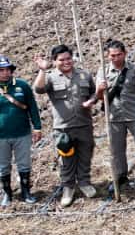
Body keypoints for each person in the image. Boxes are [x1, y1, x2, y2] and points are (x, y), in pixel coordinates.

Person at [34, 45, 96, 207]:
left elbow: (94, 92)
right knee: (67, 159)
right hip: (63, 128)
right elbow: (38, 89)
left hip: (84, 125)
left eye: (68, 58)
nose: (66, 62)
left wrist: (92, 100)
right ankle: (68, 188)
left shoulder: (84, 75)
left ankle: (84, 183)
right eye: (61, 60)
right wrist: (42, 70)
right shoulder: (51, 77)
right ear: (55, 61)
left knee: (85, 155)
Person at [97, 39, 135, 192]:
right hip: (114, 117)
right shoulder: (103, 71)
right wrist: (100, 89)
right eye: (112, 56)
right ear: (108, 56)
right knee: (117, 149)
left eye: (119, 55)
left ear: (125, 54)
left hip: (134, 115)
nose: (116, 58)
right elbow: (99, 97)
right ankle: (120, 176)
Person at [0, 55, 41, 205]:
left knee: (24, 164)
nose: (5, 73)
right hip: (1, 136)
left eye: (7, 70)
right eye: (1, 70)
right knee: (3, 166)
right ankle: (7, 194)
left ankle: (26, 192)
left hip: (22, 133)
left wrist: (37, 127)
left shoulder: (22, 86)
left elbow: (33, 107)